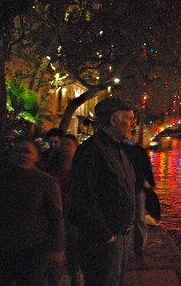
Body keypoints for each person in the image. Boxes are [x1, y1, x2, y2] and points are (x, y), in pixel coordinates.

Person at [69, 98, 137, 286]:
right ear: (114, 120)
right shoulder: (92, 150)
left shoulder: (118, 150)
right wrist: (106, 234)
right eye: (130, 119)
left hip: (119, 238)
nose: (134, 125)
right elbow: (83, 195)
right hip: (102, 241)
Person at [0, 137, 65, 286]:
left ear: (37, 156)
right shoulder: (0, 179)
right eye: (17, 151)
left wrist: (57, 247)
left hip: (35, 247)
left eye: (27, 152)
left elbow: (56, 217)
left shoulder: (47, 182)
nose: (22, 155)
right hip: (4, 245)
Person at [46, 134, 82, 286]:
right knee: (56, 247)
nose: (66, 147)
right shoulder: (51, 166)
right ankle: (55, 278)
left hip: (74, 212)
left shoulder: (81, 167)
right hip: (55, 213)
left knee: (74, 245)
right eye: (64, 144)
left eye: (70, 144)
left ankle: (75, 275)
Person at [124, 132, 158, 262]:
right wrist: (151, 184)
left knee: (138, 218)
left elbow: (146, 168)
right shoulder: (123, 150)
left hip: (137, 187)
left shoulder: (137, 151)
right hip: (130, 187)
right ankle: (134, 249)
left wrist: (150, 183)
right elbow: (147, 168)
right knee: (137, 218)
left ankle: (137, 249)